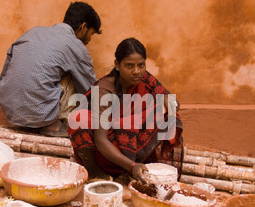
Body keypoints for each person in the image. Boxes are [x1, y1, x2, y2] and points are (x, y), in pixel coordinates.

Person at [68, 38, 184, 182]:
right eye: (129, 66)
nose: (137, 71)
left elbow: (175, 104)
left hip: (137, 150)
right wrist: (131, 166)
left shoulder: (146, 79)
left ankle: (141, 166)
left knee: (168, 112)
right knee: (79, 117)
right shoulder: (105, 90)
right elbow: (101, 140)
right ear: (117, 65)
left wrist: (165, 101)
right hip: (109, 154)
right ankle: (95, 173)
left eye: (141, 65)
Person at [0, 1, 102, 137]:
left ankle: (31, 121)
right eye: (91, 34)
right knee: (77, 72)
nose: (89, 40)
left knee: (47, 69)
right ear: (83, 27)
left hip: (10, 110)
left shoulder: (32, 33)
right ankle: (54, 125)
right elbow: (91, 90)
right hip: (40, 114)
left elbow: (6, 70)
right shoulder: (75, 45)